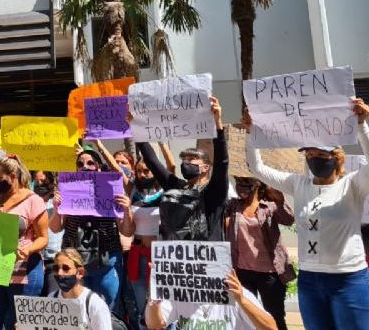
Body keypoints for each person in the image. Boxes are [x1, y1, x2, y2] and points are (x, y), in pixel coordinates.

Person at [244, 98, 369, 329]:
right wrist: (252, 133)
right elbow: (257, 168)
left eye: (319, 154)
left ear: (336, 158)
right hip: (310, 280)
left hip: (348, 278)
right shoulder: (298, 184)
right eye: (309, 155)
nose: (313, 158)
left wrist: (361, 126)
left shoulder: (353, 185)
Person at [51, 146, 134, 312]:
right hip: (74, 262)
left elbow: (127, 232)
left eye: (90, 163)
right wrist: (56, 209)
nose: (85, 166)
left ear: (99, 167)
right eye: (80, 163)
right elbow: (55, 228)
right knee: (77, 310)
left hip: (107, 260)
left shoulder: (111, 190)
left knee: (109, 310)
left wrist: (126, 210)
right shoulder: (68, 190)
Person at [133, 97, 228, 241]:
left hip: (208, 253)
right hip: (178, 253)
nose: (185, 163)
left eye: (191, 159)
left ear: (205, 167)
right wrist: (137, 128)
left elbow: (222, 163)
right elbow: (152, 162)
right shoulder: (176, 187)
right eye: (183, 160)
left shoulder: (215, 191)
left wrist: (217, 126)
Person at [0, 155, 49, 330]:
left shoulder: (33, 200)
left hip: (25, 269)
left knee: (17, 323)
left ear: (13, 176)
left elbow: (43, 238)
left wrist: (28, 249)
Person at [224, 176, 295, 330]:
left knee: (274, 317)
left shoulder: (269, 206)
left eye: (245, 182)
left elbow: (289, 220)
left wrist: (281, 201)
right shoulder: (233, 206)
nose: (240, 185)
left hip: (270, 274)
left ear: (257, 184)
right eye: (238, 182)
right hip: (242, 271)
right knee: (246, 315)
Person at [145, 270, 278, 330]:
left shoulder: (235, 293)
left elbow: (271, 327)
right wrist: (154, 300)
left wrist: (242, 301)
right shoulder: (180, 293)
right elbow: (154, 324)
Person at [126, 157, 163, 328]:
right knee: (142, 306)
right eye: (138, 171)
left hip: (159, 257)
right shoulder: (133, 191)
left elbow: (171, 166)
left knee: (161, 304)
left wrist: (162, 145)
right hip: (138, 255)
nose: (142, 175)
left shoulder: (166, 190)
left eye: (146, 170)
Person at [47, 249, 112, 330]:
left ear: (80, 273)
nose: (59, 273)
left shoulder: (95, 304)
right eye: (56, 269)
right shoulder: (51, 298)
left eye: (65, 268)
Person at [32, 171, 62, 296]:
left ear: (51, 181)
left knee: (53, 298)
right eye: (36, 181)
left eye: (43, 181)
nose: (39, 184)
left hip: (53, 260)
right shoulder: (30, 202)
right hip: (34, 261)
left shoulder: (58, 202)